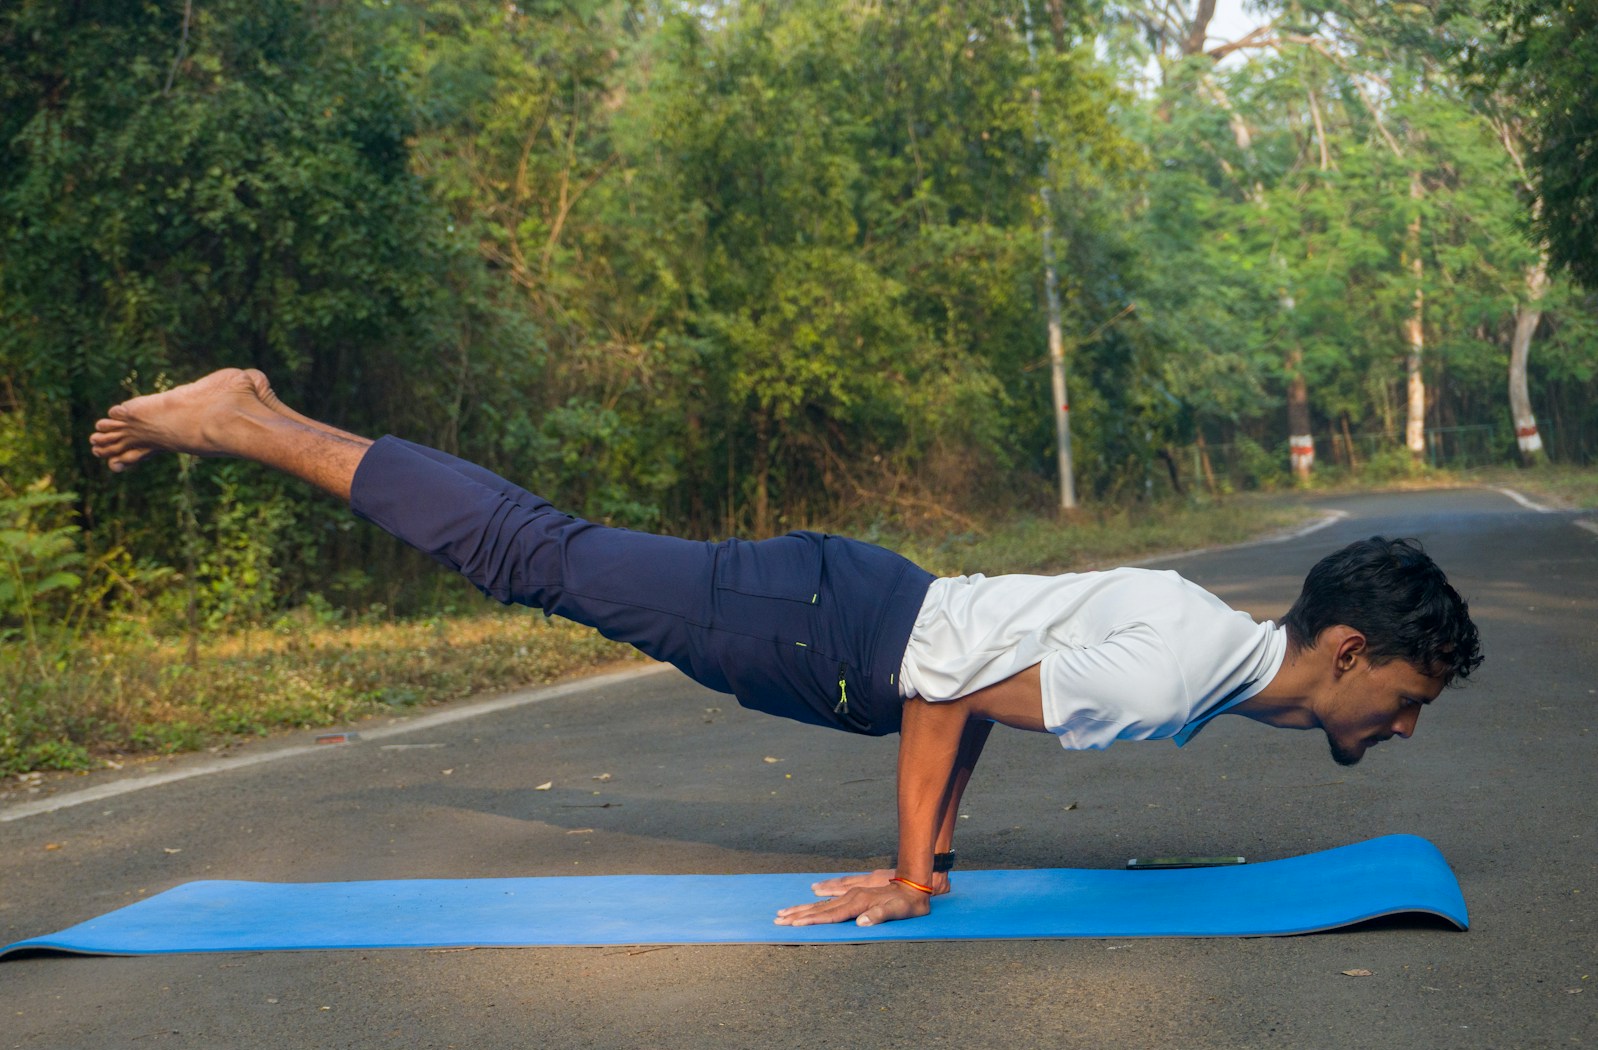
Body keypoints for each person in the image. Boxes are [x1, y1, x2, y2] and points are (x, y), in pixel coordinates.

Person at [89, 369, 1483, 928]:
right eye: (1407, 700)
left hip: (841, 604)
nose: (1404, 725)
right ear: (1347, 651)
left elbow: (974, 678)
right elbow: (942, 689)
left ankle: (259, 412)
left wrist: (925, 860)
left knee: (546, 549)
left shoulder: (1200, 638)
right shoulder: (1174, 680)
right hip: (824, 629)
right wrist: (913, 869)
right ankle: (247, 423)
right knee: (532, 551)